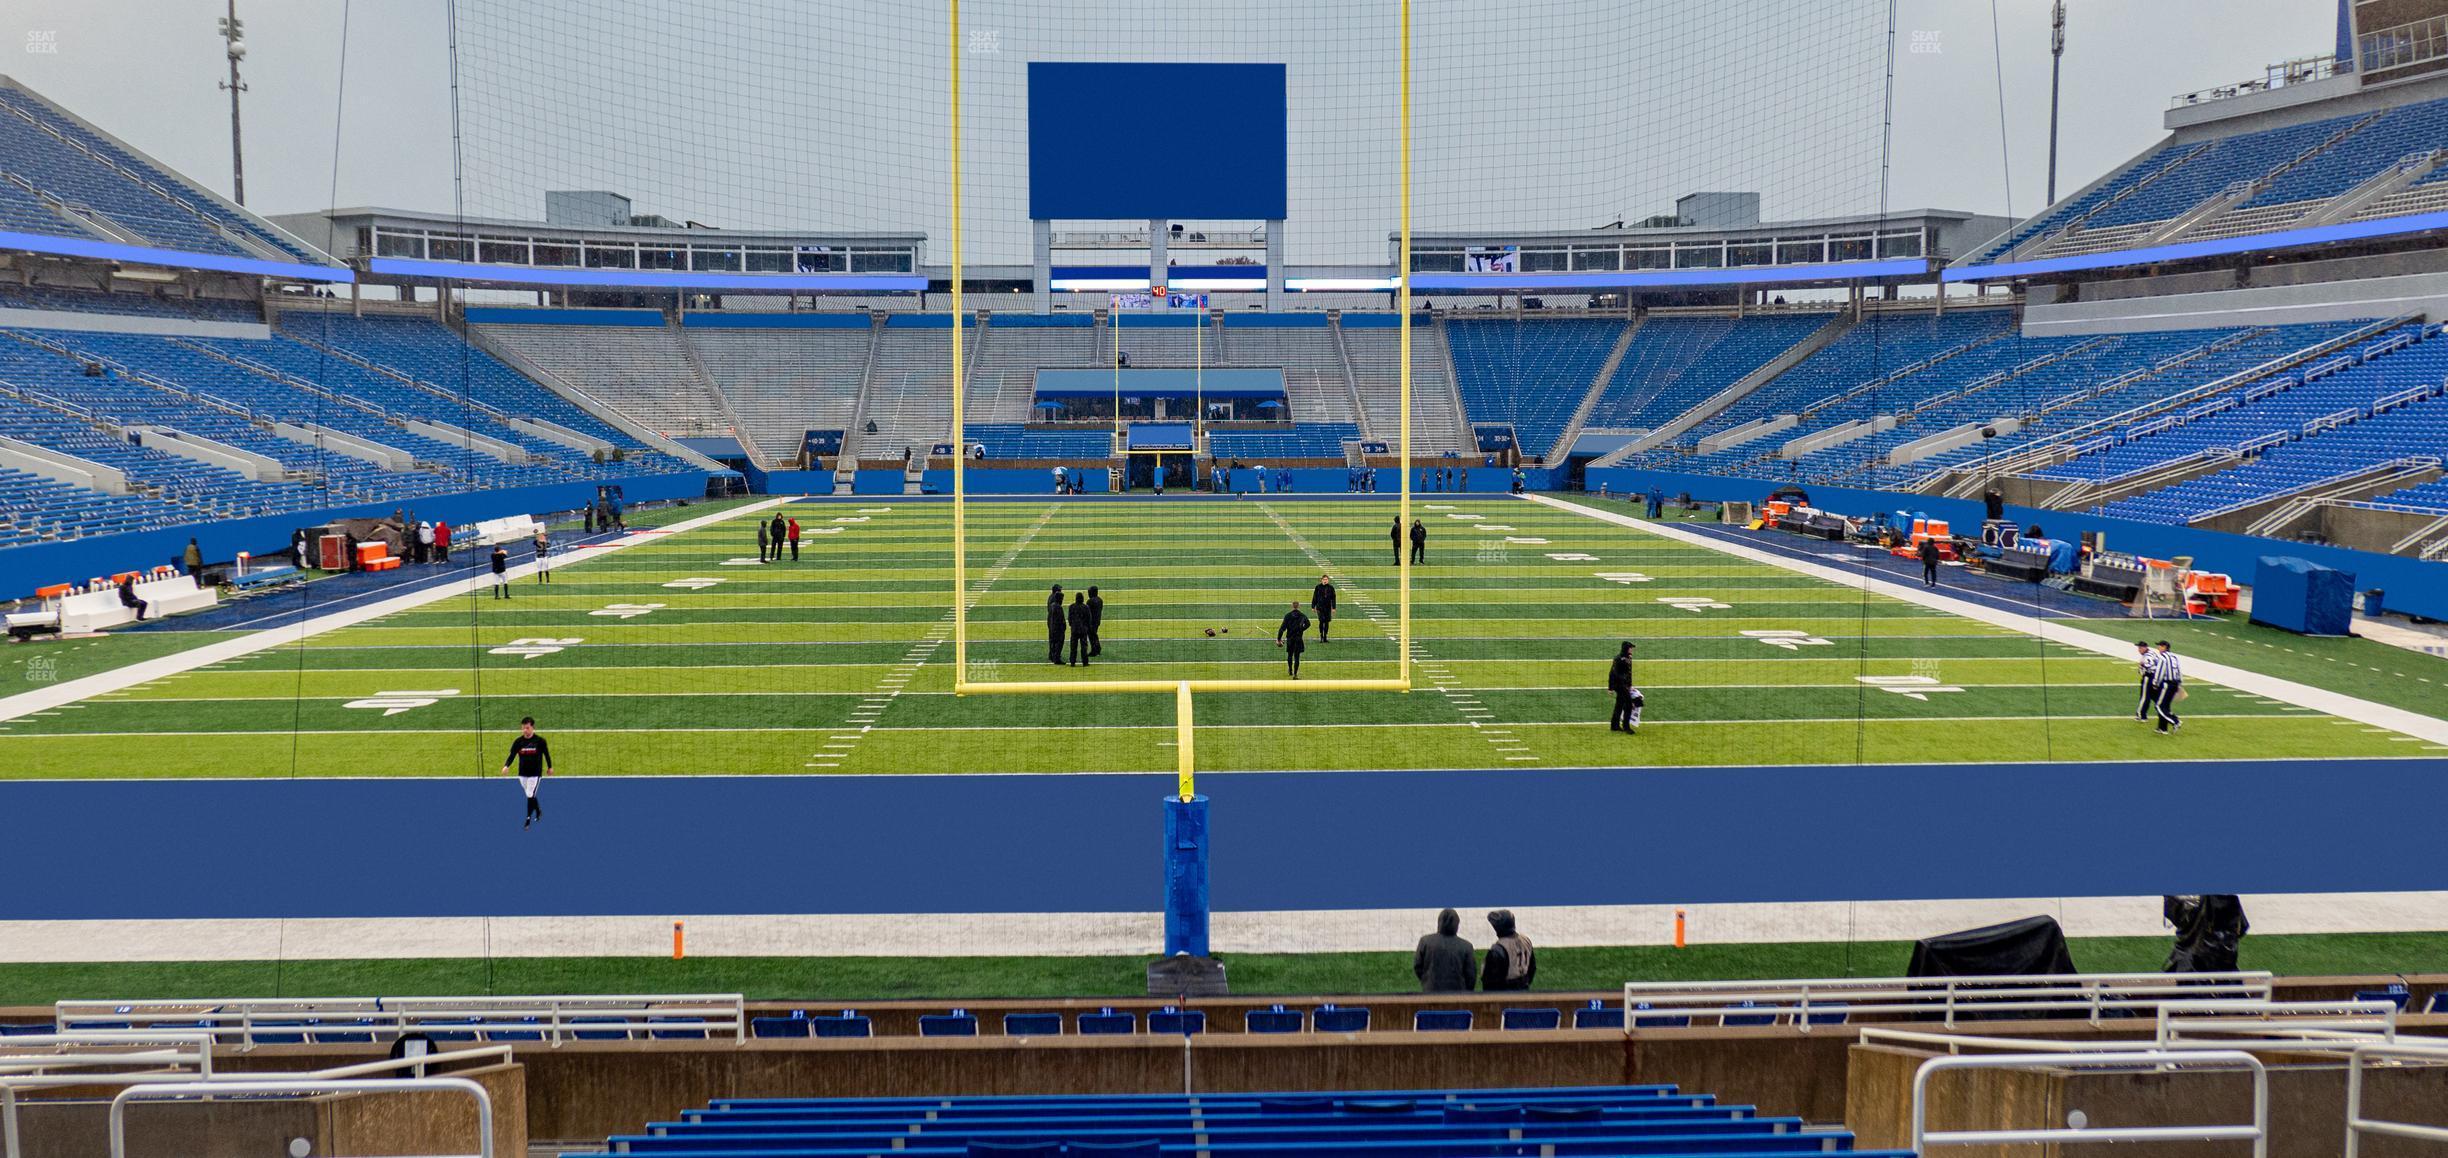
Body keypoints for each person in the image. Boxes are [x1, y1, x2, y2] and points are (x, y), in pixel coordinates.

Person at [500, 715, 553, 829]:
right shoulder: (518, 742)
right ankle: (538, 810)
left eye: (527, 728)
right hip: (522, 774)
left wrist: (550, 767)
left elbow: (547, 755)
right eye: (523, 728)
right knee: (531, 795)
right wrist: (506, 766)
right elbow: (512, 755)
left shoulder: (540, 741)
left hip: (535, 774)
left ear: (533, 728)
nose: (525, 730)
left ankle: (528, 819)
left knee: (529, 795)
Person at [1413, 908, 1475, 993]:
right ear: (1457, 925)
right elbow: (1470, 976)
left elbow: (1418, 966)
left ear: (1439, 923)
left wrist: (1427, 981)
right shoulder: (1466, 946)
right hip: (1457, 995)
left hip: (1431, 992)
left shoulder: (1425, 942)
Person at [1481, 910, 1537, 992]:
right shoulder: (1526, 940)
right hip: (1524, 989)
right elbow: (1532, 968)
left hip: (1505, 993)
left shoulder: (1497, 949)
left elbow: (1490, 983)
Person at [2146, 640, 2184, 734]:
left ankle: (2175, 721)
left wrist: (2155, 683)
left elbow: (2160, 671)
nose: (2158, 648)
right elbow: (2179, 670)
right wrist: (2180, 683)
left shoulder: (2163, 657)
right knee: (2165, 706)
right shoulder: (2174, 656)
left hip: (2167, 684)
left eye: (2159, 646)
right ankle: (2162, 728)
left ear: (2164, 647)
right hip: (2175, 683)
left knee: (2158, 705)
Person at [1607, 640, 1641, 733]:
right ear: (1626, 648)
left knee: (1619, 704)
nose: (1632, 650)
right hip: (1620, 685)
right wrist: (1610, 687)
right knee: (1629, 705)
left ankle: (1614, 726)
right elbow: (1612, 673)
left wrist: (1630, 685)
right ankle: (1626, 727)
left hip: (1625, 685)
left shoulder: (1628, 658)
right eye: (1630, 648)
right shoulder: (1619, 659)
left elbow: (1629, 673)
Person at [1274, 600, 1310, 678]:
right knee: (1297, 657)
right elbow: (1308, 624)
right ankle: (1295, 674)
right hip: (1298, 638)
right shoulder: (1302, 615)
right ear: (1299, 606)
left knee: (1290, 655)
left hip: (1290, 638)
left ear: (1292, 606)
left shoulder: (1288, 616)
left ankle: (1290, 670)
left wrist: (1279, 639)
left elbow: (1282, 629)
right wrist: (1301, 629)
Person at [2133, 640, 2157, 722]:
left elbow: (2149, 664)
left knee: (2144, 697)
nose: (2139, 650)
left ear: (2145, 648)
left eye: (2140, 648)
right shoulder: (2151, 653)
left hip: (2149, 676)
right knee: (2154, 697)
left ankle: (2141, 715)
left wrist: (2142, 665)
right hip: (2154, 677)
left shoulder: (2147, 655)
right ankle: (2164, 711)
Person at [1067, 593, 1093, 666]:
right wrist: (1087, 627)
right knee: (1084, 646)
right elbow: (1089, 618)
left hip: (1074, 629)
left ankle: (1072, 662)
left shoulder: (1071, 607)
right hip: (1083, 629)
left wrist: (1071, 625)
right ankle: (1085, 662)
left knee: (1073, 646)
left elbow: (1070, 618)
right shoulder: (1086, 607)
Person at [1310, 575, 1337, 643]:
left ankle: (1325, 636)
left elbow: (1333, 598)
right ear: (1321, 580)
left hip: (1327, 607)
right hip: (1320, 607)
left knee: (1327, 622)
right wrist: (1313, 606)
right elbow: (1314, 597)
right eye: (1324, 579)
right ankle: (1321, 636)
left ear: (1328, 580)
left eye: (1326, 579)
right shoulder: (1318, 587)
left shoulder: (1331, 588)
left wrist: (1333, 607)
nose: (1325, 580)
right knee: (1321, 621)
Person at [1045, 584, 1067, 665]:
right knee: (1057, 640)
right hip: (1055, 623)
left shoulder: (1051, 597)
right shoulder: (1055, 602)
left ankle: (1052, 655)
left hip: (1051, 621)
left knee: (1052, 639)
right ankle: (1056, 657)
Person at [1086, 585, 1104, 657]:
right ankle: (1097, 649)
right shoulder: (1100, 600)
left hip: (1091, 621)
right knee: (1094, 635)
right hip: (1097, 620)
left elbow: (1087, 612)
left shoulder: (1090, 601)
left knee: (1092, 636)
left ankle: (1094, 650)